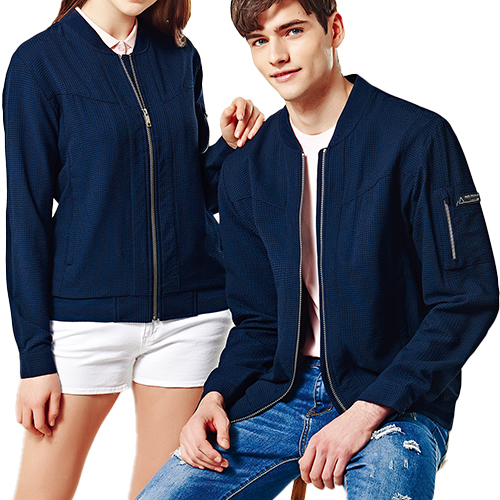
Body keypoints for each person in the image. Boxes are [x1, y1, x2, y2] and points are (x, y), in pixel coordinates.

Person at [135, 0, 499, 499]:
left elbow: (465, 297)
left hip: (396, 400)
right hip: (280, 394)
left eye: (293, 31)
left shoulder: (417, 139)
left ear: (334, 29)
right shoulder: (247, 166)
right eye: (259, 40)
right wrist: (213, 398)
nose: (276, 56)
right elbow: (258, 323)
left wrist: (367, 412)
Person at [3, 0, 264, 498]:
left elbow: (192, 191)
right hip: (85, 319)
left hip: (191, 319)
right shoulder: (38, 64)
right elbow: (26, 215)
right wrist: (34, 357)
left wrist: (228, 149)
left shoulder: (180, 55)